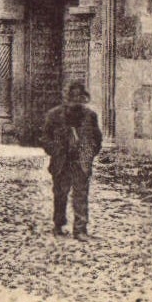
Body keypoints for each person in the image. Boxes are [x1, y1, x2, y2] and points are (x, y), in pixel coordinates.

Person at [41, 80, 103, 239]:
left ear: (84, 98)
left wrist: (88, 154)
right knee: (60, 194)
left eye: (79, 96)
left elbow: (97, 139)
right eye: (72, 96)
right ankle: (58, 225)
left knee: (81, 195)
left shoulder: (90, 116)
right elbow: (45, 138)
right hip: (62, 162)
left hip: (80, 162)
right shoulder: (54, 115)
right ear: (67, 97)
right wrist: (56, 150)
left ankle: (80, 229)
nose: (76, 99)